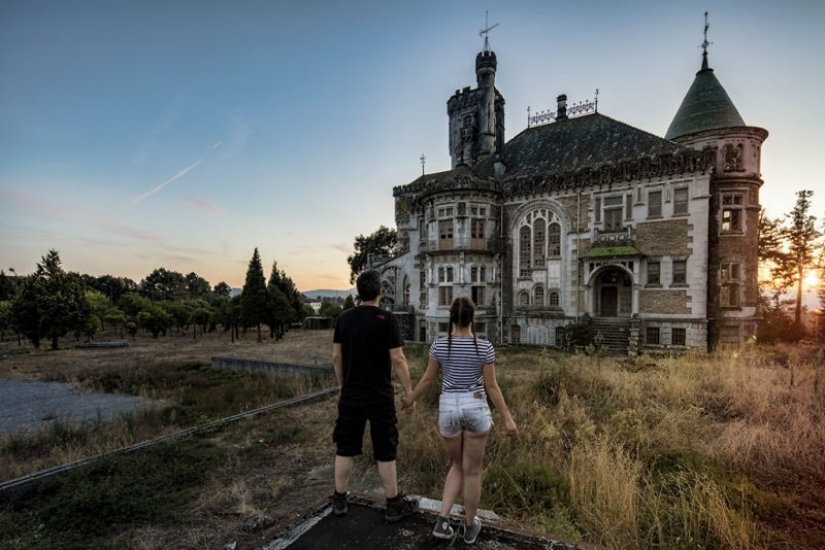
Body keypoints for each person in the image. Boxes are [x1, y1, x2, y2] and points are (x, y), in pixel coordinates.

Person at [402, 296, 517, 544]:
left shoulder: (439, 345)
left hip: (449, 408)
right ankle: (469, 527)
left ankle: (442, 521)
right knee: (472, 471)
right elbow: (492, 387)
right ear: (472, 319)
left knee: (457, 466)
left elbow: (427, 380)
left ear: (451, 318)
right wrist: (507, 418)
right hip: (475, 406)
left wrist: (410, 399)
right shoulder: (484, 347)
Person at [331, 269, 419, 522]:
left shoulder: (343, 318)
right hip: (380, 396)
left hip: (351, 395)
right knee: (385, 449)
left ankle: (339, 499)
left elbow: (336, 356)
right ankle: (393, 504)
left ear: (358, 292)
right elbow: (398, 359)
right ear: (380, 291)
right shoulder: (387, 319)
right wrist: (409, 392)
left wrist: (341, 385)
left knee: (345, 447)